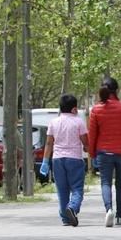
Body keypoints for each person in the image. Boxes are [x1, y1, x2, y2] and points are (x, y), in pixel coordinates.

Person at [89, 77, 121, 227]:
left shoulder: (96, 109)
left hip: (103, 152)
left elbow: (92, 134)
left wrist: (92, 153)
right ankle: (119, 217)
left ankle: (109, 209)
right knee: (120, 184)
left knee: (105, 182)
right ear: (117, 90)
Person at [40, 94, 89, 227]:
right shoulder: (79, 122)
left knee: (62, 190)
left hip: (57, 159)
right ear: (74, 109)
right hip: (74, 159)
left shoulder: (53, 122)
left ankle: (65, 218)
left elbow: (49, 143)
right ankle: (72, 208)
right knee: (77, 189)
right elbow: (85, 141)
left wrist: (45, 161)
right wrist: (88, 148)